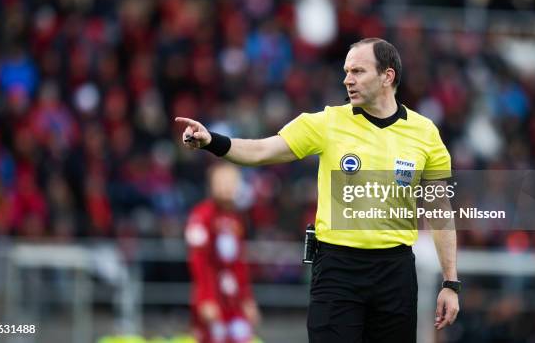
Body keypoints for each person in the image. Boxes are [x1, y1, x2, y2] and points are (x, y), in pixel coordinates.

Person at [176, 38, 459, 342]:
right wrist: (212, 141)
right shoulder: (327, 123)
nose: (347, 79)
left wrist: (450, 283)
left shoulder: (425, 133)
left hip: (395, 272)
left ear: (387, 76)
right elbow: (261, 151)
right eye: (346, 71)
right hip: (338, 269)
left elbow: (439, 210)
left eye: (358, 71)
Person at [185, 163, 261, 343]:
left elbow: (239, 263)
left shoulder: (236, 218)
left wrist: (247, 299)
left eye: (232, 181)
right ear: (211, 185)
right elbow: (199, 261)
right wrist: (206, 299)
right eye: (222, 181)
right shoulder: (202, 216)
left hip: (233, 298)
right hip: (212, 294)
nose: (227, 186)